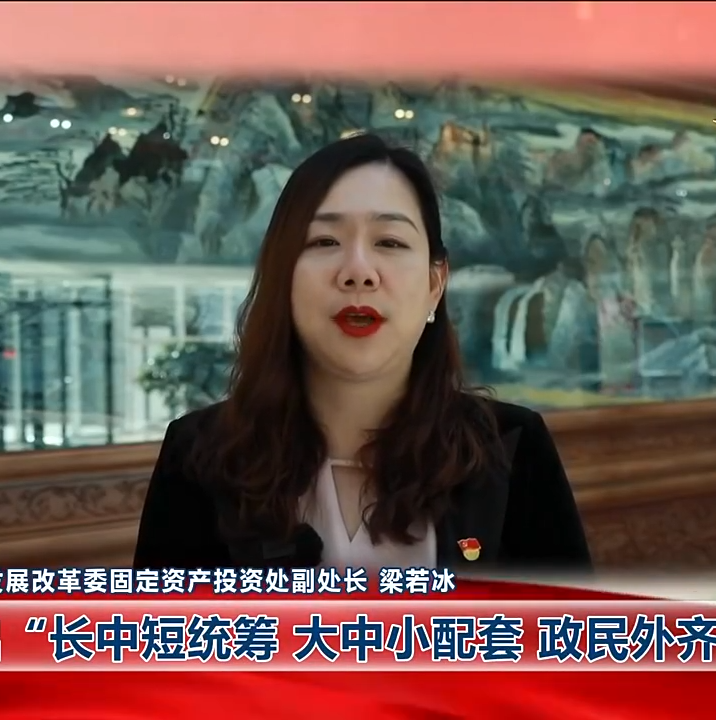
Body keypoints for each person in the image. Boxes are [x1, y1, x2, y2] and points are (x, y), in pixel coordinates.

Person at [133, 133, 592, 572]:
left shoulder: (512, 450)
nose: (358, 271)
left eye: (389, 242)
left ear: (435, 284)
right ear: (282, 275)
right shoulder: (198, 456)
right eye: (324, 242)